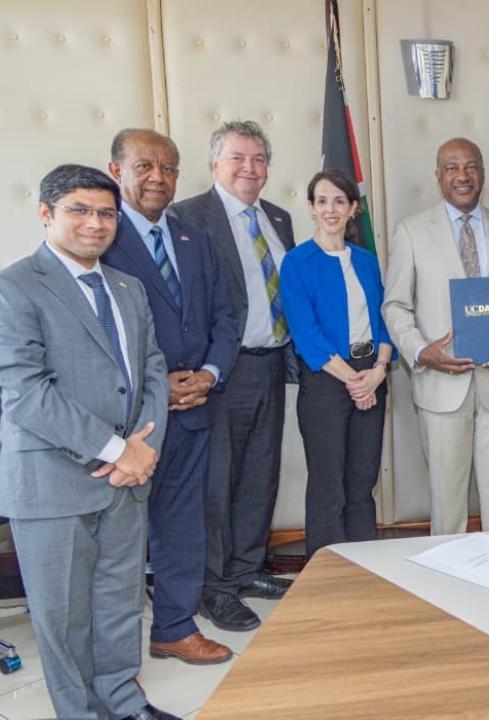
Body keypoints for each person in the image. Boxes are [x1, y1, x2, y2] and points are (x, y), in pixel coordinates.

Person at [0, 165, 177, 720]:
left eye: (106, 213)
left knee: (120, 602)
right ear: (46, 213)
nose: (95, 224)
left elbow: (152, 370)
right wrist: (115, 449)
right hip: (53, 479)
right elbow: (25, 392)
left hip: (129, 478)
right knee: (63, 616)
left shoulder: (129, 287)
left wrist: (142, 450)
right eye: (79, 210)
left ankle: (124, 702)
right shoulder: (14, 286)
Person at [102, 129, 238, 665]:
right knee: (119, 538)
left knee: (183, 524)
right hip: (131, 420)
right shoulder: (100, 238)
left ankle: (175, 628)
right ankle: (111, 654)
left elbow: (227, 316)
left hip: (195, 409)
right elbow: (97, 334)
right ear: (117, 170)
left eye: (169, 168)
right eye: (144, 166)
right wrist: (161, 386)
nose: (158, 177)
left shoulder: (194, 238)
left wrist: (208, 374)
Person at [172, 120, 295, 631]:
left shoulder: (279, 218)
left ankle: (247, 569)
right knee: (215, 483)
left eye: (259, 159)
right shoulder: (187, 217)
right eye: (238, 158)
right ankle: (213, 587)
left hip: (270, 365)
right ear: (215, 164)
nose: (250, 168)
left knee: (259, 476)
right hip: (217, 371)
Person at [383, 138, 489, 535]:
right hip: (441, 387)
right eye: (452, 167)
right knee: (447, 503)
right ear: (438, 177)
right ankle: (447, 586)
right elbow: (395, 306)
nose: (462, 176)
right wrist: (420, 352)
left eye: (471, 166)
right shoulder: (412, 232)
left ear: (483, 173)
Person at [280, 169, 395, 556]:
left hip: (372, 375)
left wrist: (377, 373)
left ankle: (366, 567)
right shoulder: (297, 262)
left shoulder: (365, 260)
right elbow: (306, 334)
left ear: (353, 208)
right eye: (323, 201)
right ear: (311, 208)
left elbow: (383, 320)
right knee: (329, 483)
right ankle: (327, 576)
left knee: (362, 481)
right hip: (327, 381)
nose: (331, 209)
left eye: (340, 201)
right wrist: (353, 382)